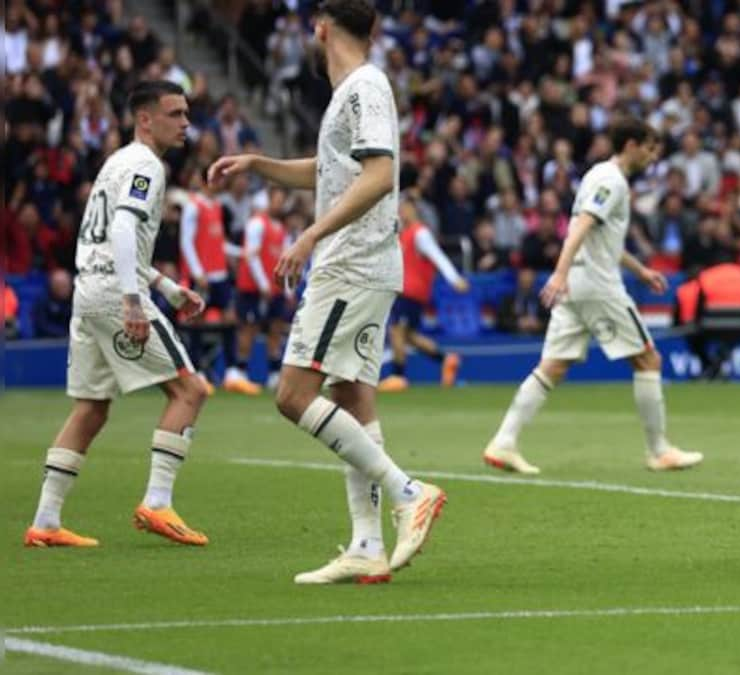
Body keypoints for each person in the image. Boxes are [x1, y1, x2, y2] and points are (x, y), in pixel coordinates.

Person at [208, 0, 444, 584]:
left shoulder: (364, 87)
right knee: (353, 399)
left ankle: (408, 491)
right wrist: (261, 164)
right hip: (365, 263)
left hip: (350, 265)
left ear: (320, 28)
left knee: (292, 395)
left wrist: (310, 234)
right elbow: (334, 170)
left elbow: (379, 175)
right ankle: (367, 545)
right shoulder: (357, 90)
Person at [23, 81, 211, 549]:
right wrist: (132, 301)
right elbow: (125, 227)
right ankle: (158, 502)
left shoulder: (116, 163)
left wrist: (166, 288)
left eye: (186, 113)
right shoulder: (146, 165)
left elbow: (112, 237)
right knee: (190, 389)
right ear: (145, 119)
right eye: (175, 113)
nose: (185, 122)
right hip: (112, 293)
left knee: (90, 408)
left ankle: (45, 521)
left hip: (88, 289)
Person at [483, 117, 703, 475]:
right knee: (648, 361)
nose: (652, 157)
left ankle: (504, 442)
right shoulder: (612, 181)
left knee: (552, 367)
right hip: (598, 286)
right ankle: (659, 450)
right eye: (649, 148)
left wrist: (640, 271)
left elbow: (599, 237)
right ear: (630, 144)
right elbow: (582, 225)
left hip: (578, 284)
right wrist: (559, 271)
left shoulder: (595, 175)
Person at [378, 198, 469, 393]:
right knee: (409, 336)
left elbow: (438, 256)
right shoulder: (405, 234)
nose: (400, 212)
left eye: (403, 208)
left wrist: (454, 279)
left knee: (396, 331)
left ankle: (398, 377)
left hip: (411, 291)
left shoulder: (421, 233)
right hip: (408, 291)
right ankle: (447, 360)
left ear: (412, 209)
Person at [180, 166, 247, 393]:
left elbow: (218, 242)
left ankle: (232, 373)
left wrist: (240, 252)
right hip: (202, 275)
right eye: (213, 179)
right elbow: (187, 241)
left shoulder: (218, 206)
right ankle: (196, 372)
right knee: (196, 321)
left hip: (219, 273)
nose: (218, 184)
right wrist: (197, 271)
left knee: (229, 319)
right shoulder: (192, 206)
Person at [233, 186, 292, 390]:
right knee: (249, 327)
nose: (279, 204)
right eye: (276, 199)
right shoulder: (257, 224)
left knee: (276, 328)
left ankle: (274, 374)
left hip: (274, 288)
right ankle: (240, 371)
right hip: (253, 287)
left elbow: (285, 259)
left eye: (282, 200)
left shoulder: (282, 229)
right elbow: (252, 256)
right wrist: (262, 283)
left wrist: (287, 289)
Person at [496, 267, 550, 335]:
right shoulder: (508, 300)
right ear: (519, 281)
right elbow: (500, 322)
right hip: (513, 338)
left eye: (529, 282)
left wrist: (539, 323)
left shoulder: (542, 299)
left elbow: (550, 321)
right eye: (524, 281)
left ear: (534, 282)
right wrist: (517, 323)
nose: (527, 284)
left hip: (537, 337)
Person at [33, 269, 74, 338]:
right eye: (60, 286)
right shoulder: (43, 301)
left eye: (66, 285)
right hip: (49, 342)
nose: (64, 289)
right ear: (52, 286)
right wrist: (65, 334)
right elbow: (42, 325)